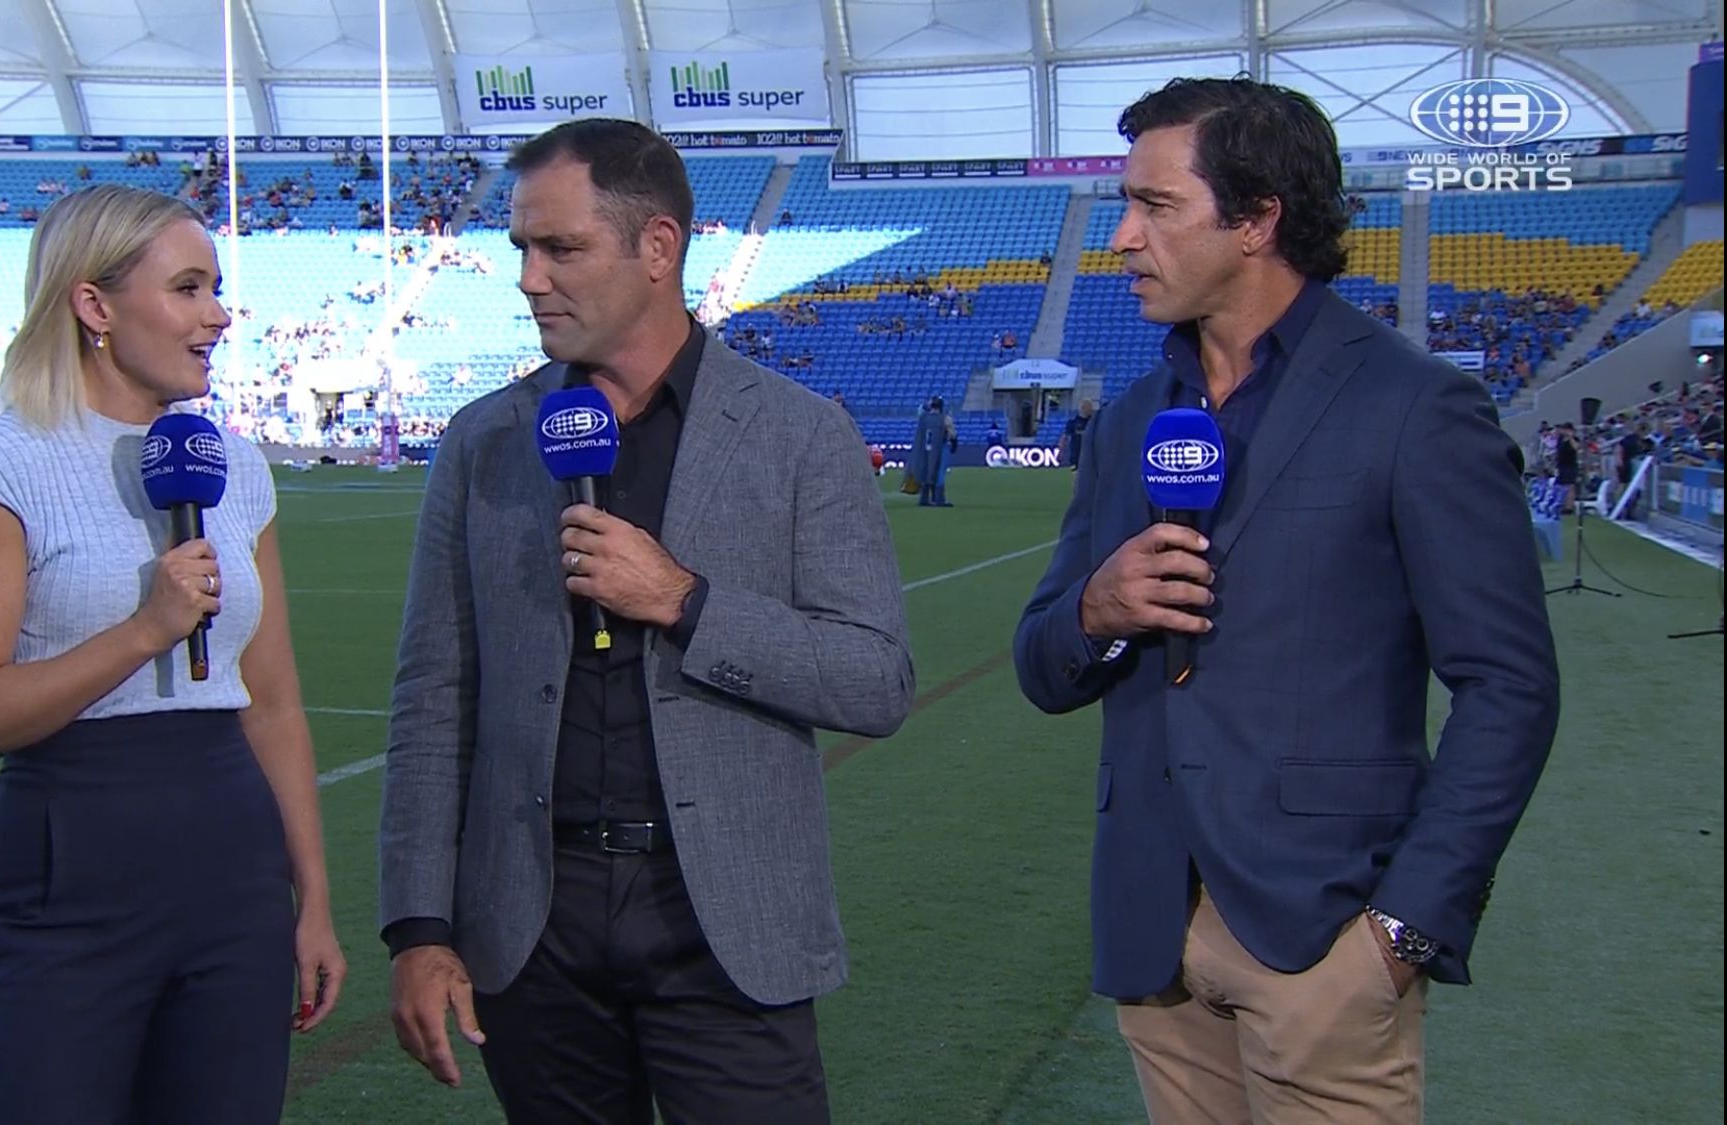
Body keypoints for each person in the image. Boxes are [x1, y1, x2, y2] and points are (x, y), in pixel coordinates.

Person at [1012, 78, 1560, 1124]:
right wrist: (1096, 610)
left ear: (1257, 219)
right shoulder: (1129, 421)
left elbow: (1509, 686)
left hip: (1325, 940)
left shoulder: (1415, 406)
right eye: (1125, 205)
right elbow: (1041, 664)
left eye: (1155, 205)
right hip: (1152, 933)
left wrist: (1404, 928)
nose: (1122, 237)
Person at [379, 118, 915, 1124]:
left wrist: (685, 601)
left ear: (657, 246)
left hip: (725, 919)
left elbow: (874, 679)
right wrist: (418, 925)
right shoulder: (484, 441)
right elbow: (433, 697)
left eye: (561, 248)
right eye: (521, 249)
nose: (530, 279)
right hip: (532, 928)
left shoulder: (800, 435)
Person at [0, 184, 346, 1124]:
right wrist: (144, 631)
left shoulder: (236, 465)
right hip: (69, 862)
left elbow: (271, 703)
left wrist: (311, 897)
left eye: (215, 288)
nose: (218, 316)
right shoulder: (3, 467)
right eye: (188, 289)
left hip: (234, 868)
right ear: (94, 305)